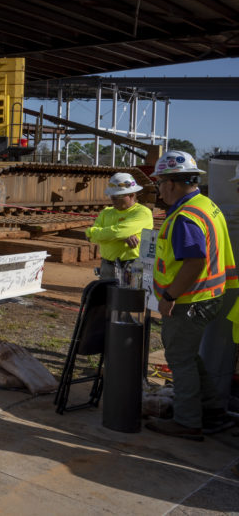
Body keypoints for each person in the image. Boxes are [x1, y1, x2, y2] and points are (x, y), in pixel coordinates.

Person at [144, 150, 238, 440]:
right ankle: (212, 410)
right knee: (190, 357)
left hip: (188, 301)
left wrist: (169, 297)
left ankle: (187, 421)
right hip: (210, 297)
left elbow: (194, 262)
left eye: (159, 183)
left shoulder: (185, 218)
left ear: (171, 183)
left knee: (180, 359)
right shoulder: (206, 204)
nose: (158, 190)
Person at [84, 172, 154, 283]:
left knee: (130, 299)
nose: (113, 199)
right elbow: (92, 235)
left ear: (131, 195)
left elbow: (117, 233)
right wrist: (122, 237)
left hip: (132, 266)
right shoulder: (106, 212)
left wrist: (96, 234)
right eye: (112, 196)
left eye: (117, 196)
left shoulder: (142, 213)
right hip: (107, 266)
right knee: (107, 298)